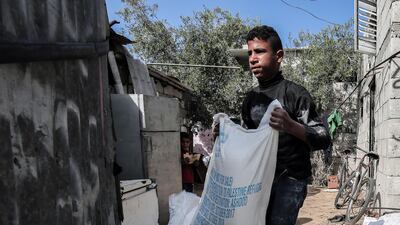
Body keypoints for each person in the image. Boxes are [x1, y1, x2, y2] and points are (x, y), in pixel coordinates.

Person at [215, 25, 331, 225]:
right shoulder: (250, 99)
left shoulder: (295, 94)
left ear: (278, 56)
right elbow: (245, 139)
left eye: (260, 51)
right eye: (250, 52)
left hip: (291, 179)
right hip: (257, 178)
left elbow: (323, 137)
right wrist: (226, 133)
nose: (252, 58)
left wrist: (290, 125)